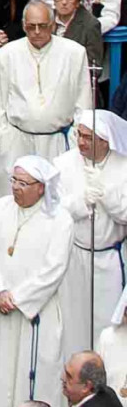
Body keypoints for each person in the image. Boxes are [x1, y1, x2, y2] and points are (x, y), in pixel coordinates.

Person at [0, 154, 75, 407]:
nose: (16, 187)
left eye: (24, 183)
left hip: (35, 312)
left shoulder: (60, 220)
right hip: (0, 309)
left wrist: (17, 299)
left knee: (33, 373)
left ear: (41, 187)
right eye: (14, 180)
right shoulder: (1, 208)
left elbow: (54, 269)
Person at [0, 0, 95, 196]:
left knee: (59, 202)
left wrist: (75, 141)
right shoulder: (7, 53)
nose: (37, 31)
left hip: (58, 141)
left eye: (43, 26)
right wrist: (2, 138)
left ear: (53, 24)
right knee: (13, 201)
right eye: (31, 26)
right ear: (24, 26)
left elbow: (83, 104)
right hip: (16, 140)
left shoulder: (74, 53)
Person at [57, 110, 127, 363]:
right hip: (75, 255)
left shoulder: (123, 166)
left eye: (88, 137)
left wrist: (106, 194)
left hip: (110, 260)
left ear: (105, 141)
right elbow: (54, 211)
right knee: (74, 321)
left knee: (105, 324)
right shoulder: (64, 164)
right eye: (79, 135)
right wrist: (82, 201)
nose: (81, 142)